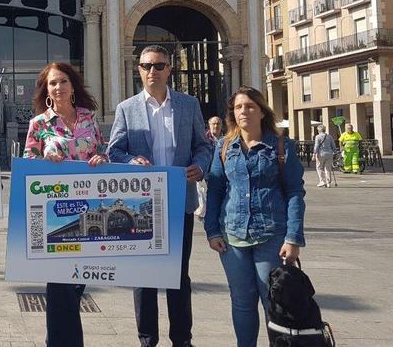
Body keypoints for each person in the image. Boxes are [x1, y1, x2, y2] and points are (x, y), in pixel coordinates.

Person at [106, 45, 212, 347]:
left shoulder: (188, 105)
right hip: (142, 206)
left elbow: (203, 145)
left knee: (179, 276)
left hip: (179, 200)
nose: (152, 71)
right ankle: (147, 340)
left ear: (169, 69)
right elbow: (114, 150)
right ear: (138, 69)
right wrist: (130, 162)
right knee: (144, 276)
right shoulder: (127, 108)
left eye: (159, 65)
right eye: (146, 66)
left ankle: (182, 340)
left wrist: (200, 167)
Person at [204, 86, 306, 347]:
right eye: (238, 107)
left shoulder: (282, 147)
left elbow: (295, 192)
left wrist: (293, 237)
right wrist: (212, 231)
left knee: (272, 299)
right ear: (232, 114)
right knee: (241, 299)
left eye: (249, 106)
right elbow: (215, 189)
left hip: (271, 234)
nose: (244, 111)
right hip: (232, 234)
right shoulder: (224, 147)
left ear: (262, 111)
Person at [23, 62, 108, 347]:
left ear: (73, 85)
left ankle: (57, 341)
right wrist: (45, 160)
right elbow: (28, 166)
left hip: (89, 212)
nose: (57, 87)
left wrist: (102, 159)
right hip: (55, 216)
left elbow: (100, 151)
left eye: (62, 82)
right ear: (46, 90)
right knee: (60, 287)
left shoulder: (89, 119)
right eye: (52, 83)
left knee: (76, 286)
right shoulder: (39, 124)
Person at [195, 116, 222, 221]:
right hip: (207, 173)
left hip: (221, 173)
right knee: (206, 196)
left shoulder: (226, 138)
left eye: (218, 124)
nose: (216, 126)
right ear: (209, 125)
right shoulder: (203, 139)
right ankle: (207, 217)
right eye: (213, 124)